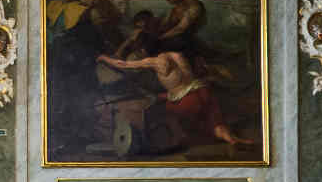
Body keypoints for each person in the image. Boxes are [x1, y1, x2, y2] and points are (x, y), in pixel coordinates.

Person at [95, 43, 247, 151]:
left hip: (186, 100)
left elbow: (123, 64)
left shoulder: (157, 61)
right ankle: (230, 138)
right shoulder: (181, 56)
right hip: (202, 91)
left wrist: (103, 58)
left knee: (166, 119)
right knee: (215, 122)